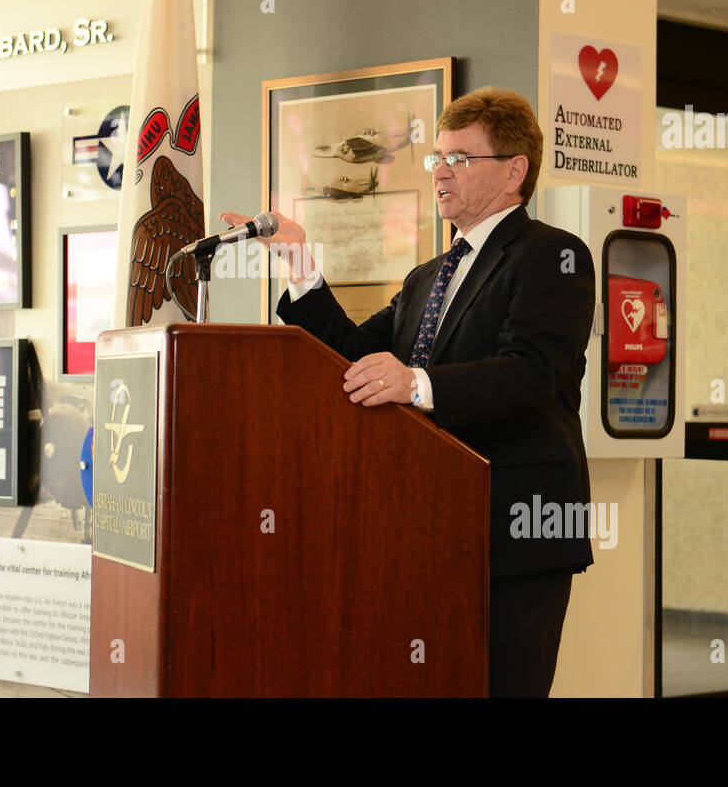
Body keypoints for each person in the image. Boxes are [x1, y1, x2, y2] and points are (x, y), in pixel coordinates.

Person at [221, 86, 595, 697]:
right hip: (428, 522)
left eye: (460, 159)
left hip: (518, 526)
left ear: (515, 171)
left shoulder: (554, 255)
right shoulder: (428, 276)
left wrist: (415, 383)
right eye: (436, 158)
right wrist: (299, 261)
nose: (441, 172)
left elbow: (532, 373)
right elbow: (354, 357)